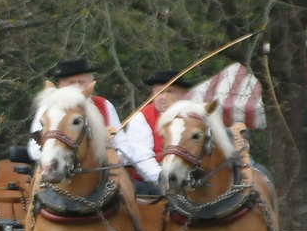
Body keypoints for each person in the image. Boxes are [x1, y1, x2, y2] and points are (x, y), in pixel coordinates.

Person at [28, 57, 160, 184]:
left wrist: (119, 158)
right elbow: (35, 148)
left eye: (81, 82)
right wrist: (51, 160)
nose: (77, 87)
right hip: (56, 171)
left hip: (102, 176)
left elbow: (122, 144)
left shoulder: (105, 105)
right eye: (71, 83)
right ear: (61, 85)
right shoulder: (48, 109)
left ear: (91, 83)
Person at [140, 68, 196, 159]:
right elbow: (142, 155)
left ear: (183, 93)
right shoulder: (142, 117)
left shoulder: (194, 115)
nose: (164, 97)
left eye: (170, 91)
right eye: (159, 92)